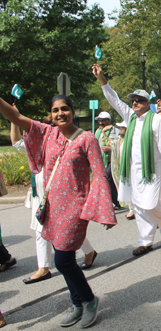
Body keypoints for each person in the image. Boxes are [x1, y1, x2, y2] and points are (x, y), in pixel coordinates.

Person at [0, 94, 117, 328]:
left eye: (65, 109)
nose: (60, 113)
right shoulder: (47, 133)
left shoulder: (87, 139)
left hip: (75, 208)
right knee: (62, 259)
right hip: (52, 208)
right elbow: (15, 115)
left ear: (73, 112)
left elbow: (99, 174)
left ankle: (89, 300)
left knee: (63, 261)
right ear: (51, 115)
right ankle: (76, 303)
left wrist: (105, 208)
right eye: (55, 110)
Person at [93, 63, 161, 255]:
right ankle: (146, 241)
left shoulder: (157, 120)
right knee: (139, 207)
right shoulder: (130, 117)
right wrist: (102, 79)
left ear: (148, 103)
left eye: (140, 100)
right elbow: (114, 100)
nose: (135, 103)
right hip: (133, 171)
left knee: (153, 205)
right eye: (133, 100)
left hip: (153, 171)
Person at [10, 114, 99, 281]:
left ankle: (49, 267)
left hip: (60, 198)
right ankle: (45, 266)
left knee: (63, 231)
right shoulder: (37, 144)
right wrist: (13, 120)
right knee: (46, 230)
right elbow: (16, 142)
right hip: (41, 196)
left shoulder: (64, 145)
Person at [94, 111, 121, 210]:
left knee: (106, 177)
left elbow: (120, 145)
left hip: (112, 160)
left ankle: (106, 202)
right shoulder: (98, 132)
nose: (101, 123)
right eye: (99, 121)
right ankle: (116, 202)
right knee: (110, 181)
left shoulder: (116, 131)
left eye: (103, 120)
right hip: (100, 160)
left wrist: (110, 149)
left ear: (109, 120)